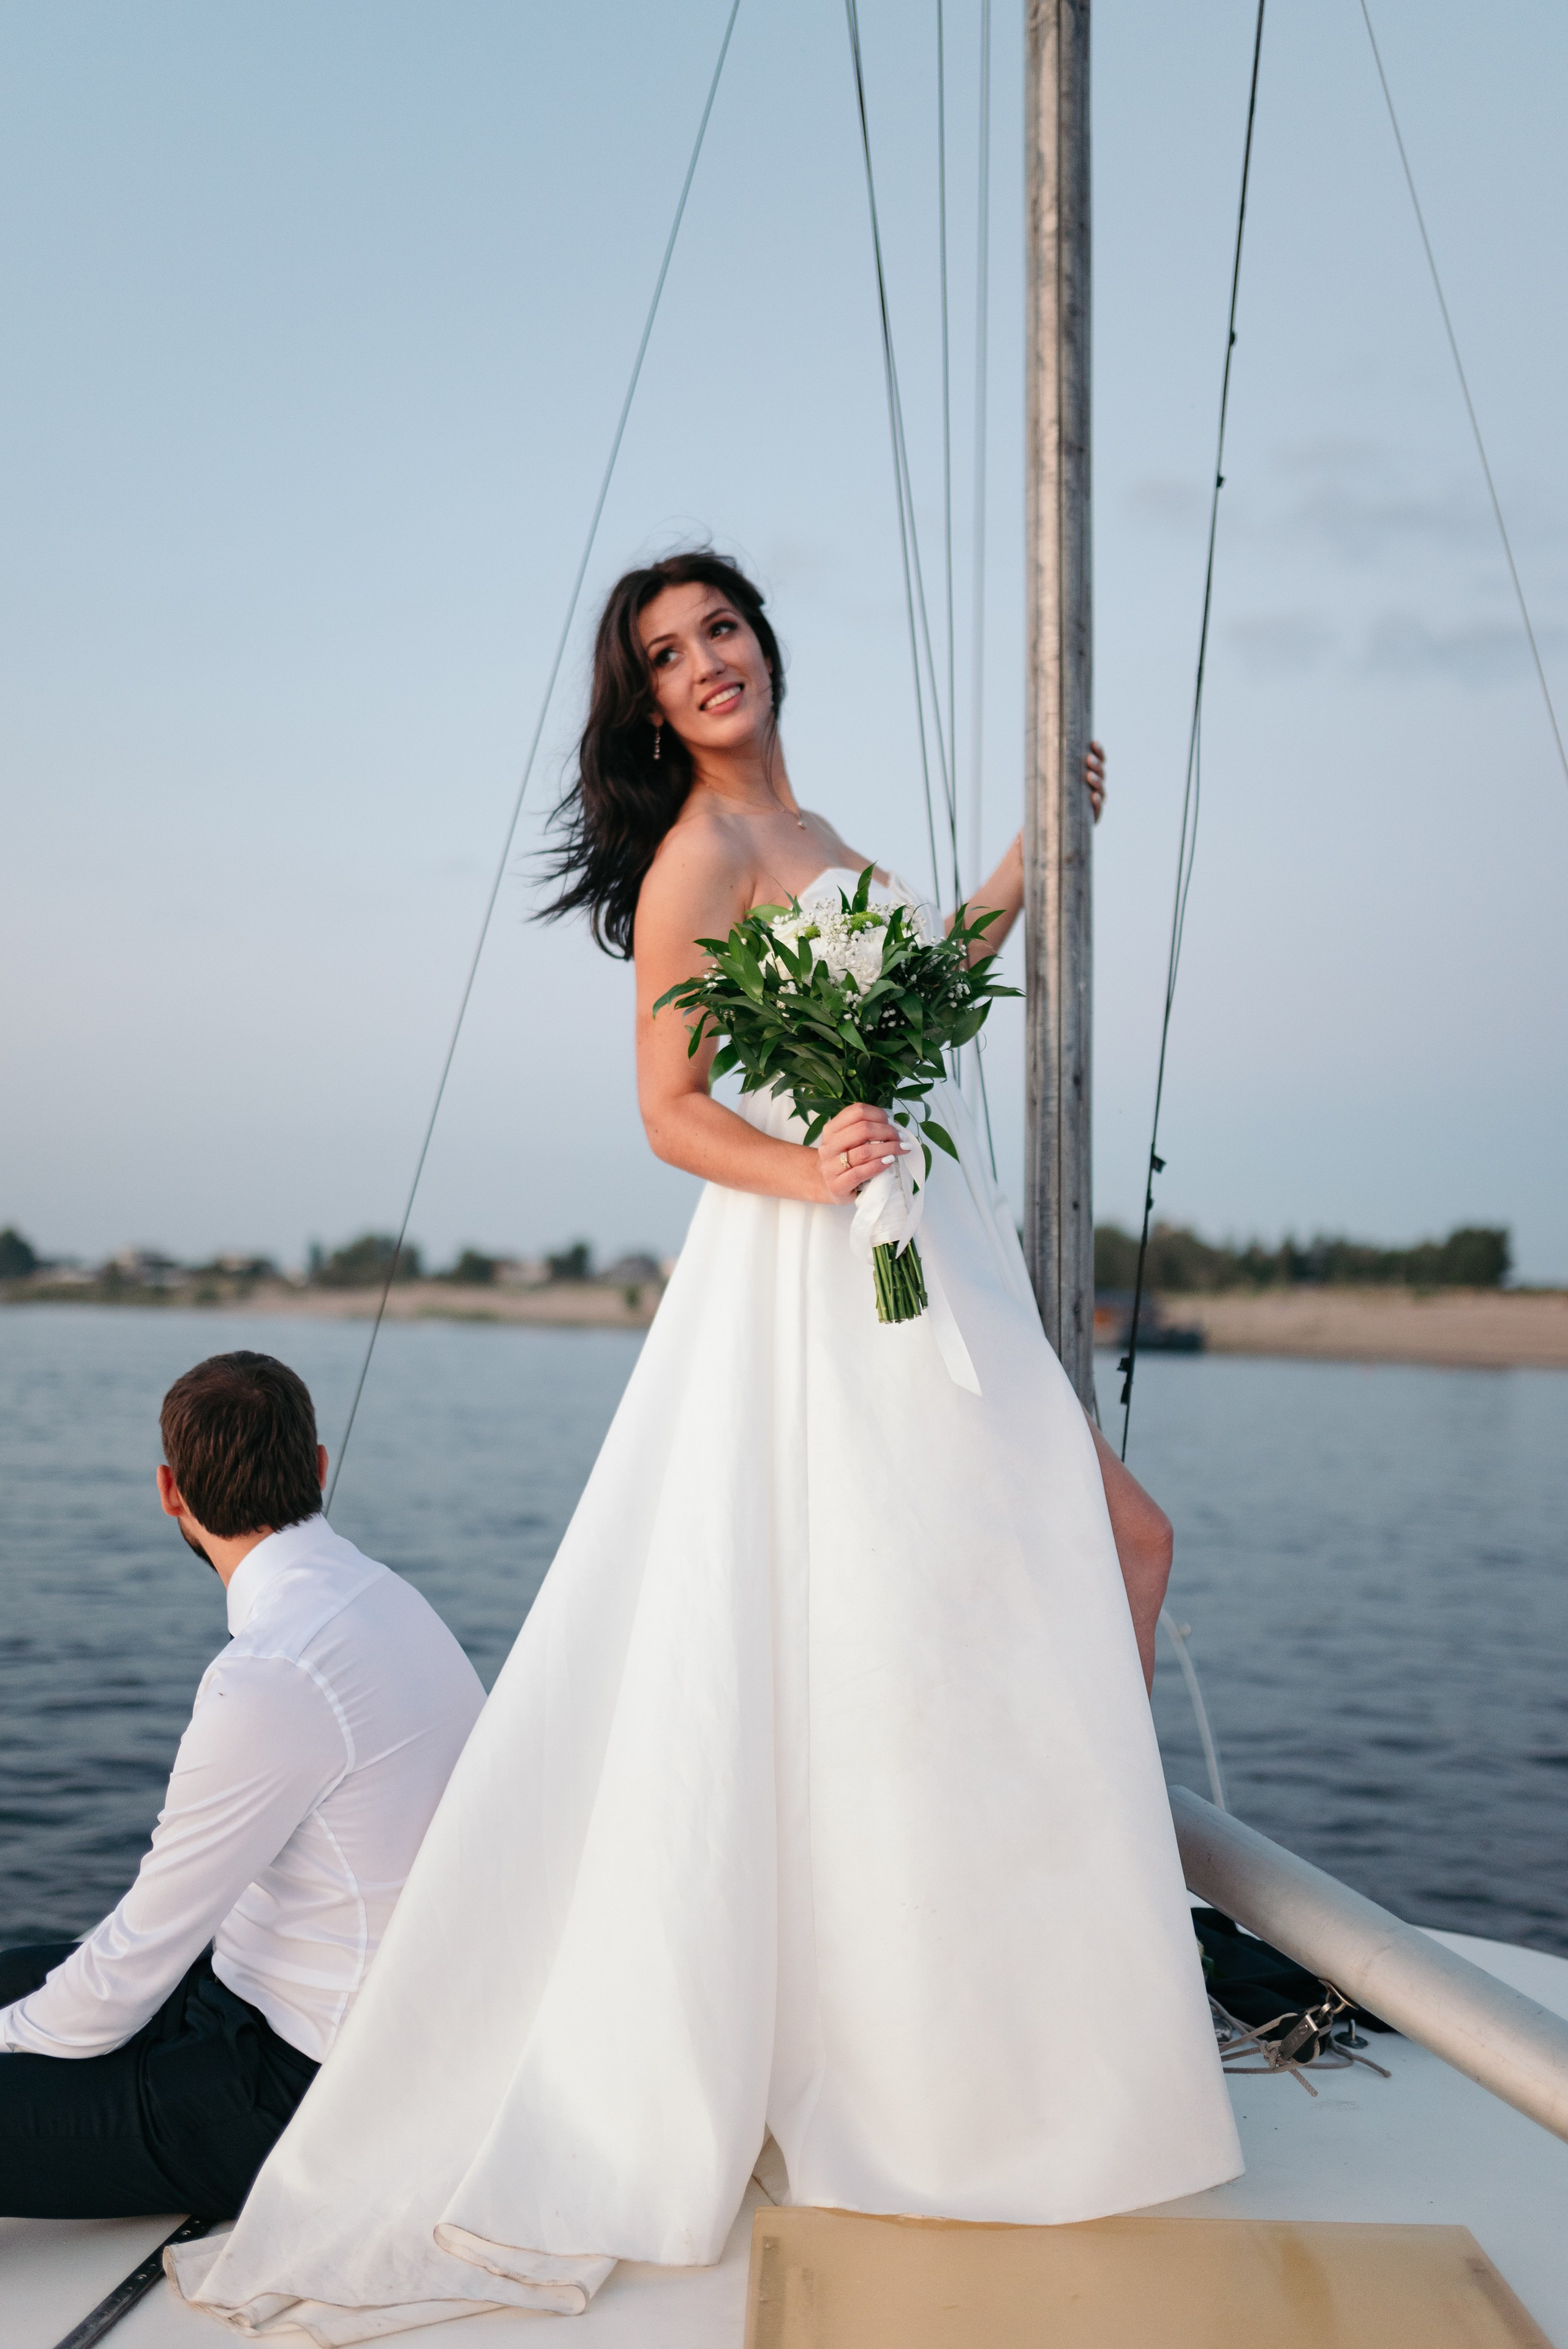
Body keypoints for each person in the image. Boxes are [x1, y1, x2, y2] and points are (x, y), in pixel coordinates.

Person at [170, 554, 1239, 2337]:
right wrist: (810, 1168)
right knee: (959, 1615)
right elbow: (672, 1113)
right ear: (650, 706)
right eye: (668, 656)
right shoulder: (697, 865)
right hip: (826, 1268)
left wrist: (1035, 861)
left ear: (763, 643)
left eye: (721, 630)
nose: (707, 664)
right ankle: (999, 2028)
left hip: (929, 1245)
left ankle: (1065, 1983)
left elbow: (914, 998)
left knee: (1099, 1556)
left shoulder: (811, 822)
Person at [0, 1350, 484, 2220]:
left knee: (39, 2017)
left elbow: (128, 1974)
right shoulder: (390, 1600)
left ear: (168, 1492)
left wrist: (11, 2042)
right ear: (320, 1468)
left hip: (305, 2091)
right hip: (277, 1999)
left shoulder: (268, 1676)